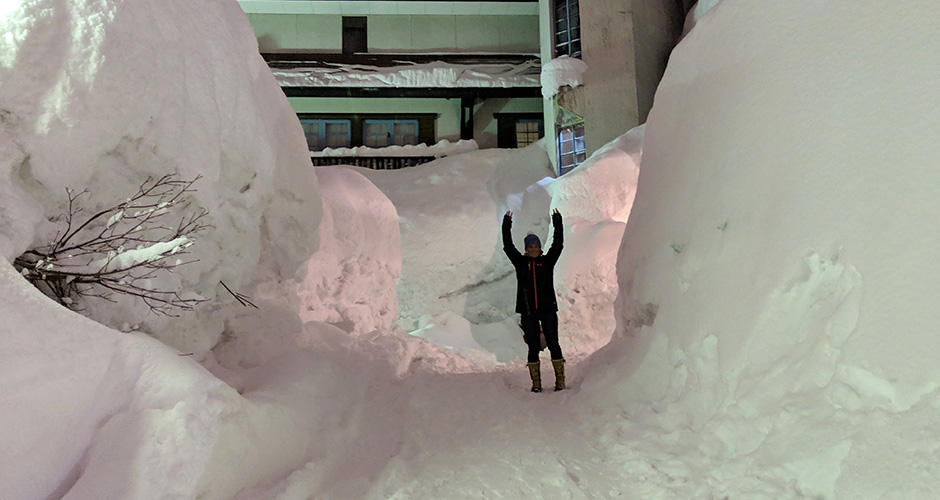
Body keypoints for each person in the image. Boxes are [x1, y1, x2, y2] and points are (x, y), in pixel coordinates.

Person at [502, 208, 566, 392]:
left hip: (548, 310)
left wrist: (557, 222)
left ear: (540, 248)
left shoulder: (547, 262)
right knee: (532, 348)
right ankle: (536, 383)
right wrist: (507, 224)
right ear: (526, 249)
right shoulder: (520, 263)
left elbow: (558, 245)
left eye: (536, 246)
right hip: (528, 312)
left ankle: (560, 380)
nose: (533, 249)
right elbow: (508, 246)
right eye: (530, 247)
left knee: (554, 343)